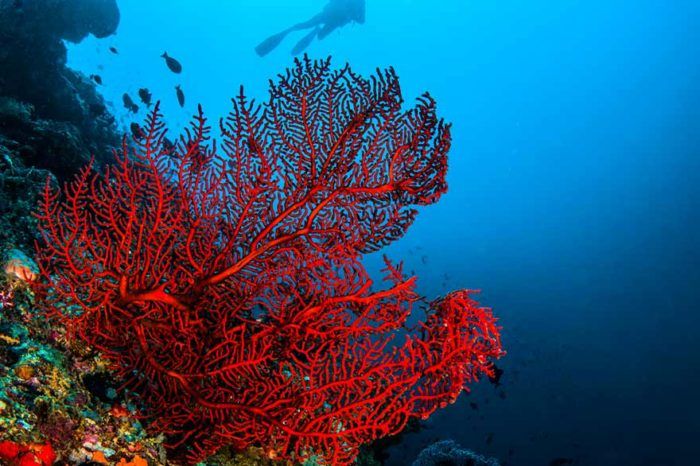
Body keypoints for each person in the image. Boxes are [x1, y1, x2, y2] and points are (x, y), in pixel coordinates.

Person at [255, 0, 365, 56]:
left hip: (329, 18)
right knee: (313, 30)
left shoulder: (361, 1)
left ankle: (310, 30)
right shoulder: (361, 2)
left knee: (314, 32)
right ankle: (312, 30)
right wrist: (351, 14)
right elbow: (361, 20)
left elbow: (361, 20)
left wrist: (351, 14)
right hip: (330, 18)